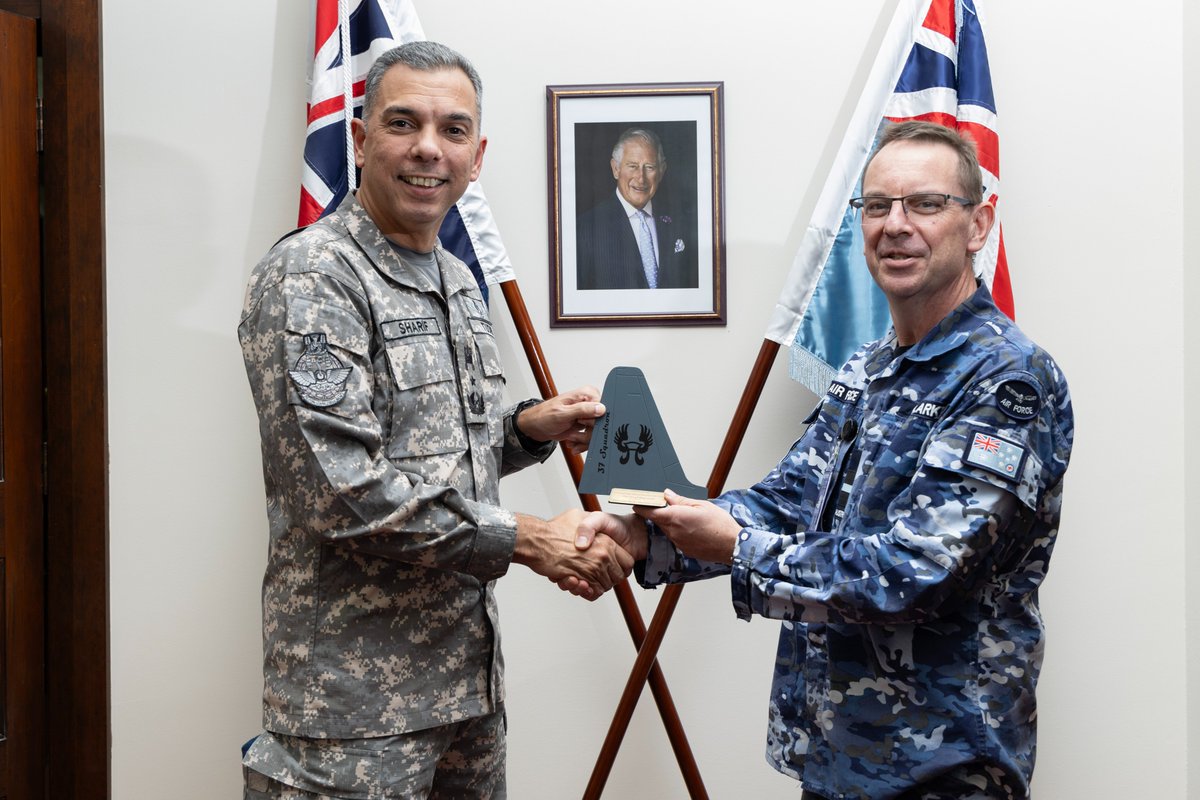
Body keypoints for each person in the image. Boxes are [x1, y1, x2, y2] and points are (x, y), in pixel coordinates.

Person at [571, 121, 1074, 800]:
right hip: (839, 753)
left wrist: (743, 548)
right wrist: (647, 536)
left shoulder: (1007, 380)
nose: (895, 225)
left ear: (978, 224)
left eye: (924, 204)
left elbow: (917, 573)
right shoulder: (869, 367)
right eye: (876, 206)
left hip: (944, 767)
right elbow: (788, 500)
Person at [238, 41, 634, 799]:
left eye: (453, 130)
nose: (429, 148)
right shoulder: (312, 277)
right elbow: (343, 490)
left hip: (466, 688)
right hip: (351, 714)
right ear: (359, 139)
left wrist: (527, 429)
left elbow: (440, 451)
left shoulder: (453, 275)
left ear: (476, 155)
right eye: (402, 123)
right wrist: (527, 538)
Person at [576, 127, 698, 290]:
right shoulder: (585, 229)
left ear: (661, 171)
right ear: (616, 169)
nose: (641, 178)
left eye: (649, 167)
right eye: (632, 166)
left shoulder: (682, 223)